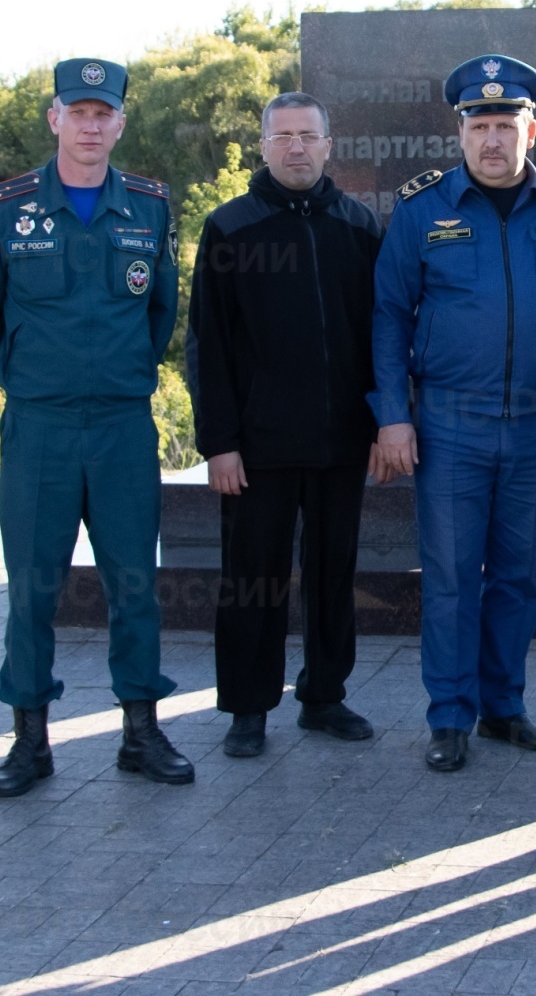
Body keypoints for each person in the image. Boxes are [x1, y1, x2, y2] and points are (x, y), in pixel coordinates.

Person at [0, 57, 192, 797]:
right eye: (78, 111)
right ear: (55, 118)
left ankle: (141, 731)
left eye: (105, 113)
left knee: (135, 584)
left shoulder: (150, 208)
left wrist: (118, 376)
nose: (91, 126)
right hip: (41, 429)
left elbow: (161, 313)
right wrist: (30, 379)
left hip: (122, 426)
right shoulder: (5, 206)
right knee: (32, 587)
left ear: (121, 123)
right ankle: (29, 740)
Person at [371, 54, 536, 773]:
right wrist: (392, 415)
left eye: (507, 124)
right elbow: (388, 315)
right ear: (462, 133)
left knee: (516, 577)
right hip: (449, 425)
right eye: (480, 125)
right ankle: (450, 716)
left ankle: (505, 707)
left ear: (530, 130)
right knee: (449, 577)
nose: (493, 138)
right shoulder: (422, 210)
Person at [187, 91, 384, 758]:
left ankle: (324, 695)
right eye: (284, 136)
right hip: (258, 444)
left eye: (309, 135)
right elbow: (206, 344)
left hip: (341, 440)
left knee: (334, 573)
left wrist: (384, 421)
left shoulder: (358, 226)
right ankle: (248, 706)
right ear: (264, 146)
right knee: (254, 578)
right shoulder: (231, 226)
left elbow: (379, 334)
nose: (296, 147)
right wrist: (219, 442)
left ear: (330, 145)